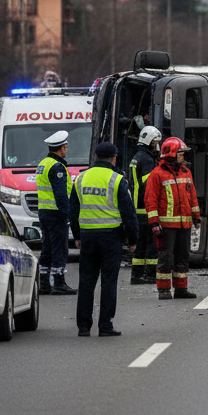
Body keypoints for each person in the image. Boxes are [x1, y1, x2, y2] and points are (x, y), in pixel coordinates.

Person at [70, 142, 139, 337]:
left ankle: (83, 327)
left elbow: (73, 211)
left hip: (87, 236)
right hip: (110, 237)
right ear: (113, 159)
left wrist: (77, 236)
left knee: (86, 282)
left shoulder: (81, 178)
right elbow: (128, 213)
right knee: (108, 281)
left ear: (95, 157)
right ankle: (105, 325)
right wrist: (133, 239)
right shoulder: (117, 180)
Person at [145, 136, 200, 300]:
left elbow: (192, 197)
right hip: (166, 226)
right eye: (181, 153)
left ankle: (181, 289)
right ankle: (163, 290)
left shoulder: (186, 172)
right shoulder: (157, 174)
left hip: (184, 224)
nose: (184, 157)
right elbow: (150, 200)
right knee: (166, 258)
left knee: (183, 257)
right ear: (172, 154)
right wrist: (154, 223)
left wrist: (196, 217)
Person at [35, 130, 77, 295]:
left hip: (44, 212)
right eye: (66, 147)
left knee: (47, 247)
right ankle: (59, 283)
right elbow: (61, 194)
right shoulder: (57, 166)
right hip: (56, 213)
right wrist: (68, 214)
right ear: (62, 148)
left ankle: (44, 284)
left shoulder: (43, 163)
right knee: (60, 248)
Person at [127, 126, 163, 285]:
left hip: (137, 207)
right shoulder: (147, 160)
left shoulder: (137, 157)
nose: (156, 145)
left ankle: (136, 275)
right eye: (155, 142)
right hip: (146, 207)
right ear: (150, 141)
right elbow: (150, 184)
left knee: (140, 243)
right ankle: (150, 274)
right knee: (151, 243)